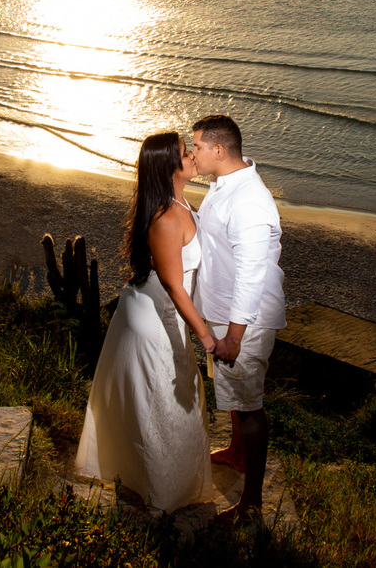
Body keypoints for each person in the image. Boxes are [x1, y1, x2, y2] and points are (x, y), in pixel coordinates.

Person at [74, 131, 217, 513]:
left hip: (152, 307)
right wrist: (206, 335)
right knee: (161, 401)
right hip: (156, 315)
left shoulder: (175, 201)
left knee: (160, 399)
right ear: (171, 167)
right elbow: (173, 283)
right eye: (187, 154)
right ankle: (159, 492)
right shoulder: (167, 217)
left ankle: (151, 481)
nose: (193, 158)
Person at [190, 114, 285, 523]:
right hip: (222, 313)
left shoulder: (248, 201)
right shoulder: (224, 184)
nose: (192, 153)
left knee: (249, 407)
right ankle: (237, 453)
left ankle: (252, 505)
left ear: (219, 150)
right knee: (233, 396)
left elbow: (252, 274)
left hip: (243, 321)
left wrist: (234, 336)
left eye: (196, 147)